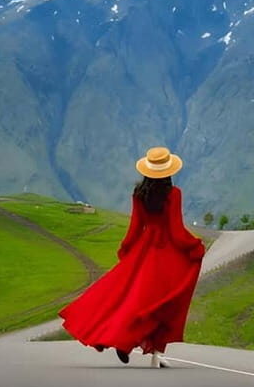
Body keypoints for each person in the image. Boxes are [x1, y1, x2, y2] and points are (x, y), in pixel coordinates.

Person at [58, 146, 206, 368]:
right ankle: (152, 353)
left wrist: (126, 250)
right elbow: (176, 231)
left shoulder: (139, 194)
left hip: (144, 253)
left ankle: (125, 342)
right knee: (162, 304)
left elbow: (136, 228)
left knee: (129, 300)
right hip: (166, 255)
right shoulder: (173, 194)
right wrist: (195, 247)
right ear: (169, 171)